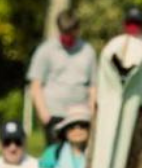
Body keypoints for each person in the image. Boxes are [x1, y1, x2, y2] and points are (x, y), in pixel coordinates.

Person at [28, 11, 97, 144]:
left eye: (71, 32)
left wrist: (92, 113)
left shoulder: (88, 51)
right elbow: (36, 85)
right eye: (64, 32)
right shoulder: (46, 50)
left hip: (80, 115)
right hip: (55, 114)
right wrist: (44, 115)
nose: (67, 37)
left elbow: (93, 86)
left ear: (77, 30)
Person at [39, 104, 90, 168]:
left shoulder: (99, 153)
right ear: (65, 131)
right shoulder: (52, 153)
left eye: (83, 125)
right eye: (72, 126)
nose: (77, 130)